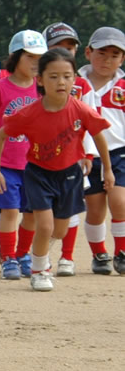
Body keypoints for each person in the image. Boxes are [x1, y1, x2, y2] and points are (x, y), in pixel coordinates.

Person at [0, 48, 113, 291]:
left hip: (70, 175)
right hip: (38, 173)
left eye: (67, 76)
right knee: (43, 225)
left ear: (74, 79)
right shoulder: (29, 113)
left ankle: (40, 256)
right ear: (41, 80)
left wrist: (107, 170)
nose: (61, 82)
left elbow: (99, 136)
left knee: (59, 229)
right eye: (53, 76)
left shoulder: (80, 109)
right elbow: (1, 135)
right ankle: (39, 270)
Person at [0, 30, 47, 280]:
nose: (37, 63)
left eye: (41, 57)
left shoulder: (43, 90)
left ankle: (23, 254)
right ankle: (8, 258)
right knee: (9, 212)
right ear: (15, 58)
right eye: (31, 57)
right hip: (5, 163)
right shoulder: (0, 87)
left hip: (35, 165)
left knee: (31, 214)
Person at [42, 22, 93, 276]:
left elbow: (93, 123)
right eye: (58, 47)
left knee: (71, 206)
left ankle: (67, 257)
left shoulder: (83, 86)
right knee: (43, 210)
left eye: (70, 47)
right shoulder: (38, 83)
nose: (65, 51)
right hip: (44, 157)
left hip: (74, 155)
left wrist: (89, 153)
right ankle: (40, 256)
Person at [79, 27, 125, 275]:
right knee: (95, 210)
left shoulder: (123, 87)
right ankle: (100, 254)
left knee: (120, 202)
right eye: (101, 53)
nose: (107, 60)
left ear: (122, 59)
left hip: (120, 153)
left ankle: (122, 252)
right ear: (88, 52)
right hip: (87, 156)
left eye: (114, 55)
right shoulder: (75, 83)